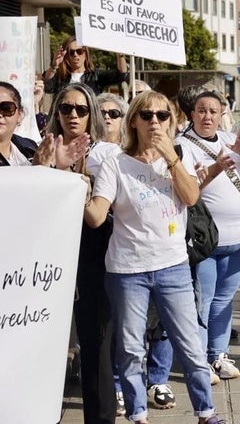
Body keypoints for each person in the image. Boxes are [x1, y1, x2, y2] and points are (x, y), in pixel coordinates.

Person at [83, 91, 223, 424]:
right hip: (127, 270)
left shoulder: (178, 155)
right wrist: (75, 185)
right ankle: (138, 416)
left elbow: (190, 198)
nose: (155, 122)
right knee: (131, 350)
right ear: (134, 121)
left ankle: (206, 413)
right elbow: (97, 217)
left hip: (173, 266)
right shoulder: (115, 162)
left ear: (172, 121)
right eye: (147, 116)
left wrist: (170, 159)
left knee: (189, 345)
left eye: (163, 116)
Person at [46, 83, 122, 423]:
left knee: (96, 343)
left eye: (80, 109)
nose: (73, 115)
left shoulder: (108, 154)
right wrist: (50, 166)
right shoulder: (42, 149)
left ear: (92, 113)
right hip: (49, 252)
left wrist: (74, 174)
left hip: (94, 252)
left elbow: (100, 214)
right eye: (65, 108)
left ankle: (101, 417)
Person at [176, 90, 240, 381]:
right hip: (206, 242)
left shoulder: (228, 140)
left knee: (224, 299)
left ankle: (218, 355)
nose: (207, 116)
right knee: (203, 300)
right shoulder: (182, 145)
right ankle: (197, 362)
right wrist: (212, 169)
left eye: (213, 110)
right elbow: (187, 189)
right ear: (192, 114)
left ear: (222, 113)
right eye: (201, 110)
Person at [43, 36, 128, 96]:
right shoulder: (60, 76)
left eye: (79, 51)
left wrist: (120, 55)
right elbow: (47, 87)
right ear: (66, 56)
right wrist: (54, 66)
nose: (76, 55)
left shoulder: (96, 75)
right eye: (71, 52)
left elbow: (121, 75)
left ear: (86, 54)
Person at [0, 81, 37, 165]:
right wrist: (37, 169)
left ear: (20, 115)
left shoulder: (30, 147)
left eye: (6, 108)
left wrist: (62, 166)